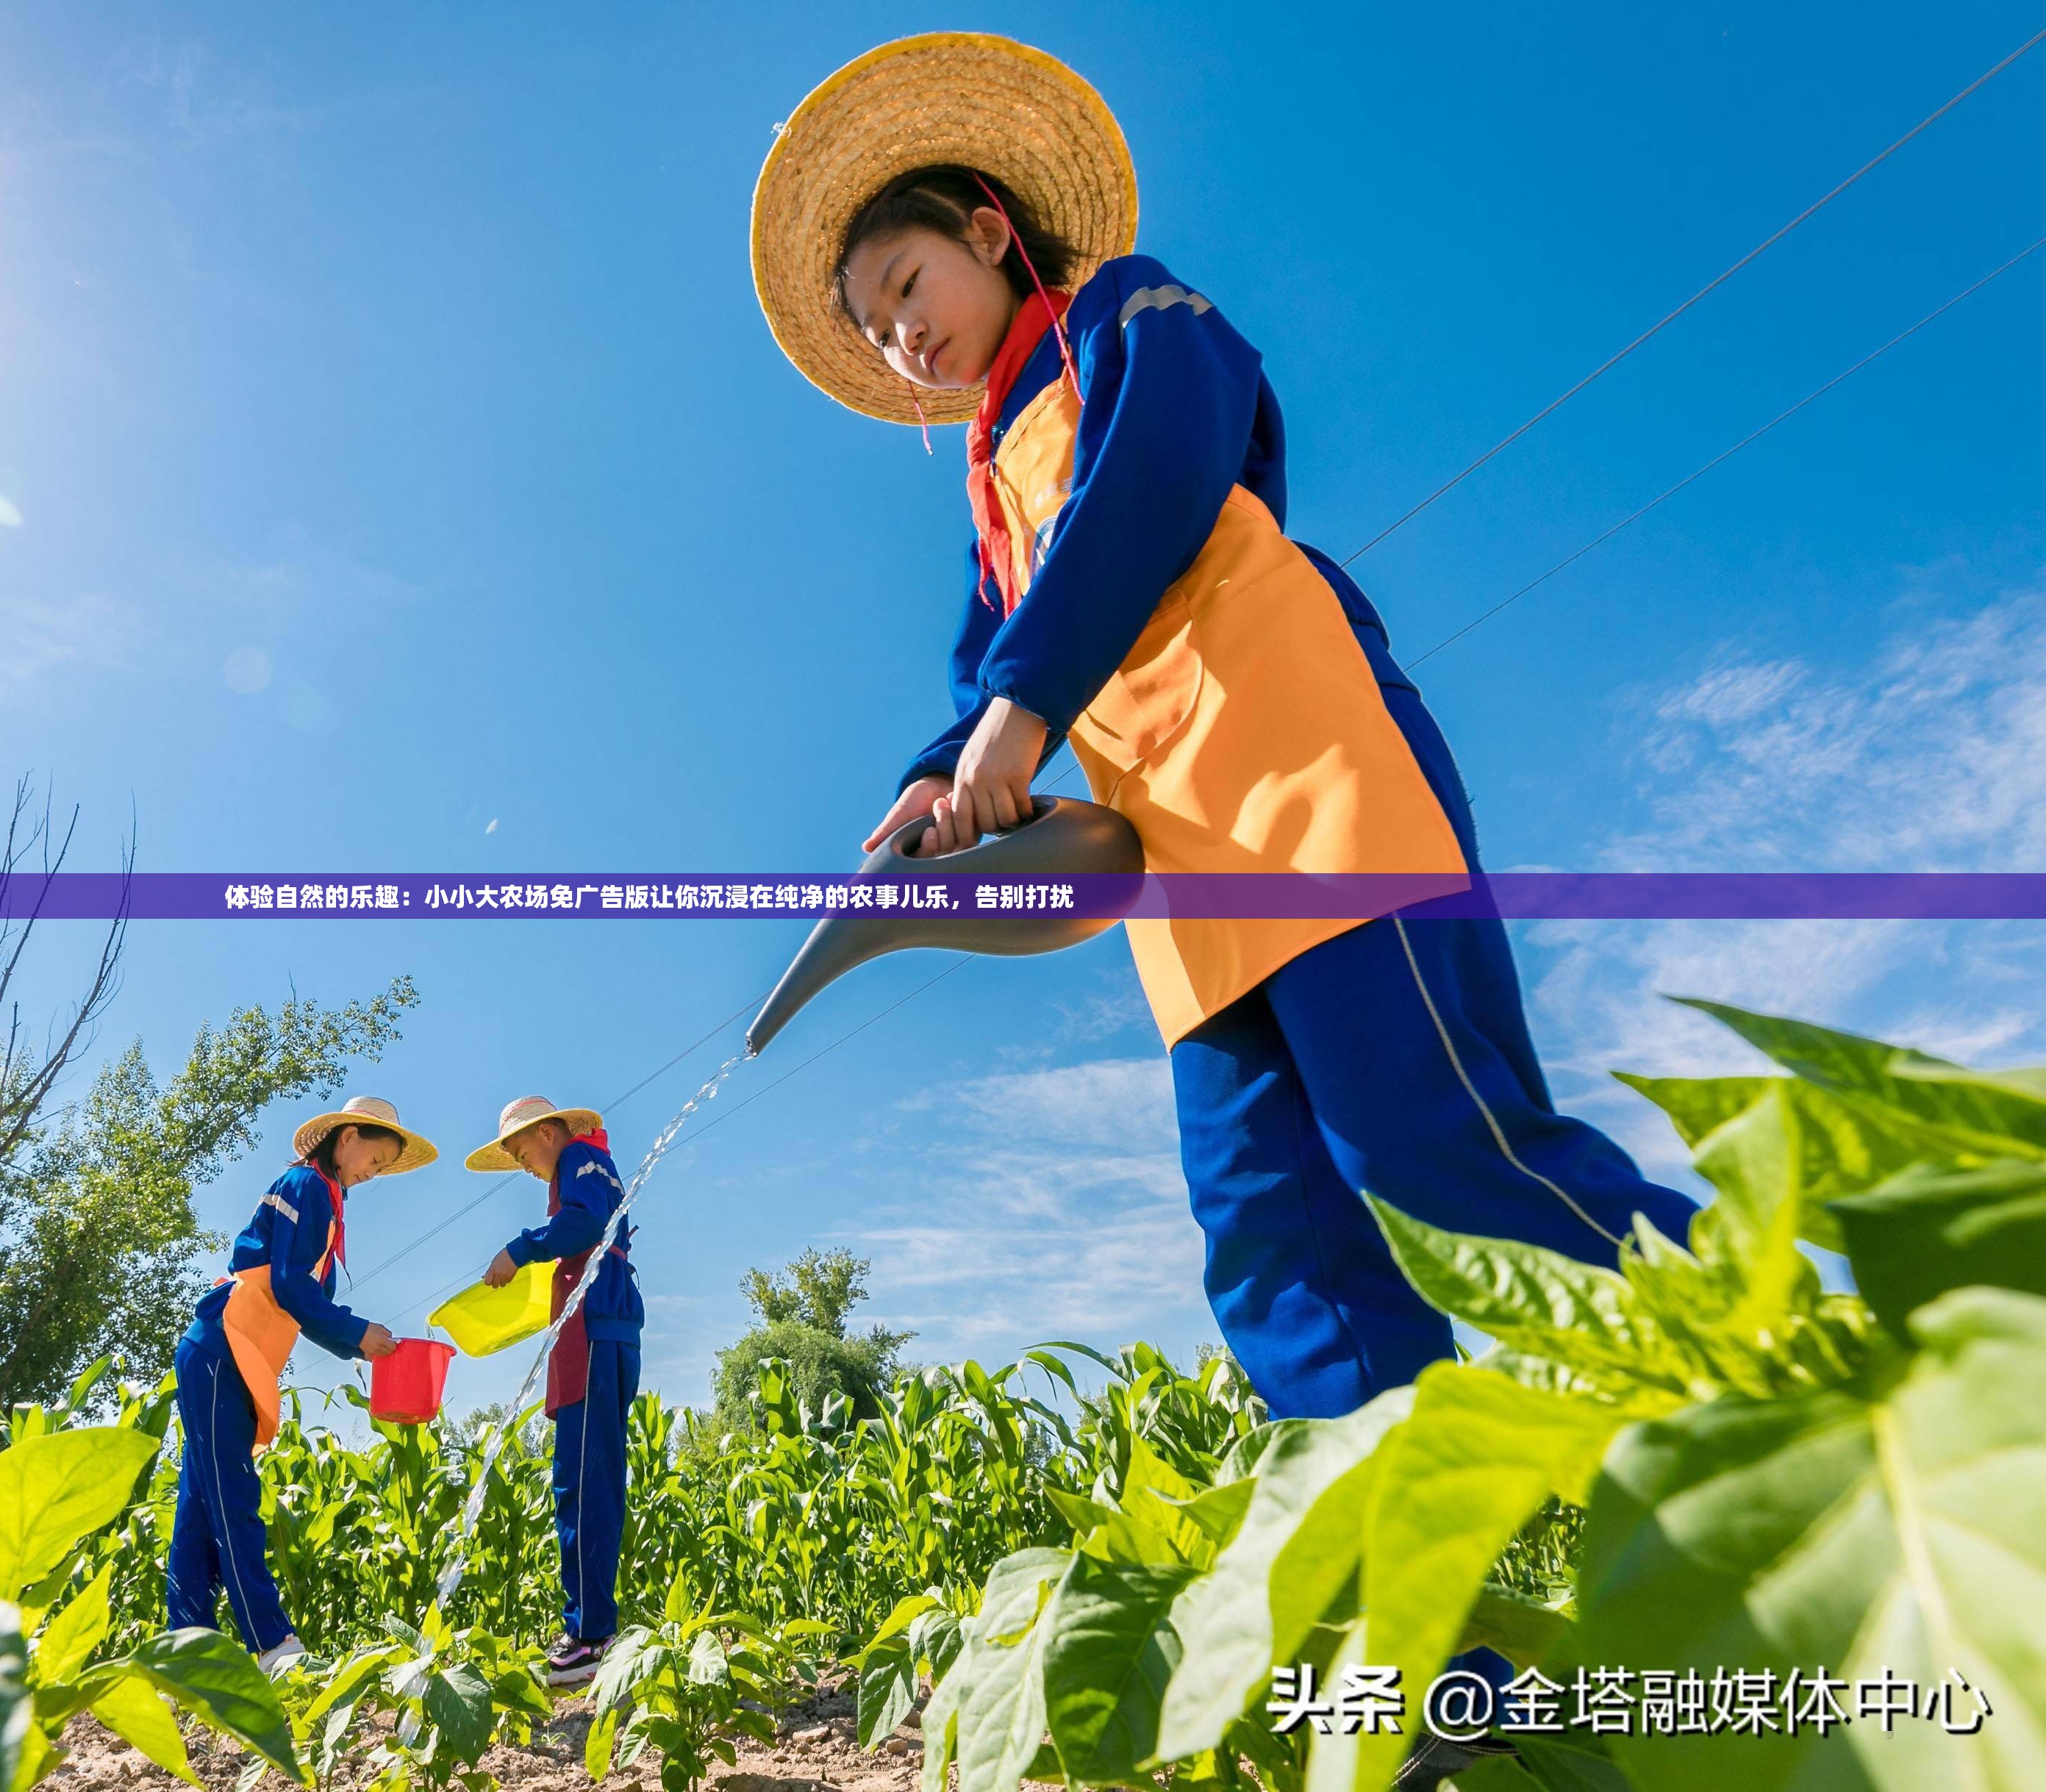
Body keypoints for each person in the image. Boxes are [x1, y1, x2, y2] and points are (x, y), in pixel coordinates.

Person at [746, 35, 1700, 1425]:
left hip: (1305, 779)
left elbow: (1165, 469)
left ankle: (1836, 1381)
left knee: (1443, 1155)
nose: (904, 336)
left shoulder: (1132, 317)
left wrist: (1022, 713)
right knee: (1277, 1249)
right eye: (881, 331)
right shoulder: (987, 490)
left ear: (991, 232)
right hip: (1180, 874)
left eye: (908, 285)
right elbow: (980, 683)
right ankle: (1422, 1643)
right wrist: (936, 784)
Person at [168, 1095, 435, 1672]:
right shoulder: (307, 1186)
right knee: (232, 1499)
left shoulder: (325, 1201)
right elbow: (290, 1287)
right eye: (374, 1158)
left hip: (232, 1358)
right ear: (344, 1140)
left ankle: (184, 1651)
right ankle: (271, 1644)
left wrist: (359, 1345)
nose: (374, 1172)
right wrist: (357, 1331)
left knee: (200, 1506)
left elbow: (308, 1306)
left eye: (385, 1168)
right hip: (223, 1350)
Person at [471, 1094, 640, 1688]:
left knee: (586, 1482)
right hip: (590, 1335)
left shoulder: (578, 1159)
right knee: (576, 1479)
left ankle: (592, 1635)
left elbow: (585, 1225)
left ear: (548, 1132)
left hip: (595, 1332)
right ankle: (590, 1626)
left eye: (521, 1151)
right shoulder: (583, 1165)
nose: (522, 1164)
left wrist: (519, 1250)